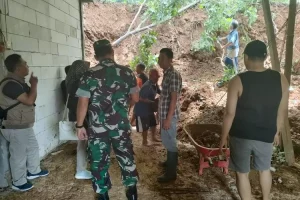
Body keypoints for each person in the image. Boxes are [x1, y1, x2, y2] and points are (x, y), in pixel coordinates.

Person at [219, 40, 289, 200]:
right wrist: (276, 131)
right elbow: (282, 110)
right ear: (265, 56)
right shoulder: (281, 79)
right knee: (264, 169)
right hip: (266, 134)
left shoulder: (237, 80)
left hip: (241, 135)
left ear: (246, 57)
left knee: (242, 173)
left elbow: (229, 113)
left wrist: (223, 137)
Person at [76, 39, 139, 200]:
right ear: (112, 52)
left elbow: (82, 102)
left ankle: (102, 194)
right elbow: (135, 98)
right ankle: (131, 193)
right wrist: (124, 109)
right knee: (127, 159)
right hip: (121, 127)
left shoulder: (89, 74)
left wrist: (79, 125)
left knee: (98, 163)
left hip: (98, 129)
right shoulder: (127, 72)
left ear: (96, 56)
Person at [0, 54, 49, 192]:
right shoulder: (9, 84)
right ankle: (18, 182)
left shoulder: (19, 82)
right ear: (18, 68)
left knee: (32, 147)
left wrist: (32, 86)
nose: (27, 65)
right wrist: (34, 84)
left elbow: (31, 99)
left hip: (23, 125)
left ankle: (33, 170)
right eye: (25, 64)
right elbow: (28, 100)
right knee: (18, 155)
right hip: (14, 127)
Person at [157, 48, 182, 183]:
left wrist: (167, 119)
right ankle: (170, 161)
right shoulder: (167, 74)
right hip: (165, 114)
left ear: (170, 60)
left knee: (170, 142)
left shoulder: (174, 75)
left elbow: (173, 99)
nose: (159, 61)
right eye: (159, 58)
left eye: (162, 58)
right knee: (167, 139)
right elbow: (164, 97)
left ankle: (171, 173)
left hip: (169, 116)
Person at [64, 60, 92, 180]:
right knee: (83, 143)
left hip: (75, 116)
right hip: (82, 117)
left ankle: (82, 168)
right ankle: (81, 170)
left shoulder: (69, 82)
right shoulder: (82, 83)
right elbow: (84, 102)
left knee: (82, 143)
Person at [134, 68, 161, 146]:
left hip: (149, 108)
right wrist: (152, 102)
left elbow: (159, 91)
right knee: (144, 125)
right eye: (156, 77)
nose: (157, 79)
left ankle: (153, 137)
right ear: (151, 76)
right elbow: (140, 98)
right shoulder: (147, 86)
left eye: (158, 77)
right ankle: (144, 142)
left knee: (153, 123)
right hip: (142, 109)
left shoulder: (154, 84)